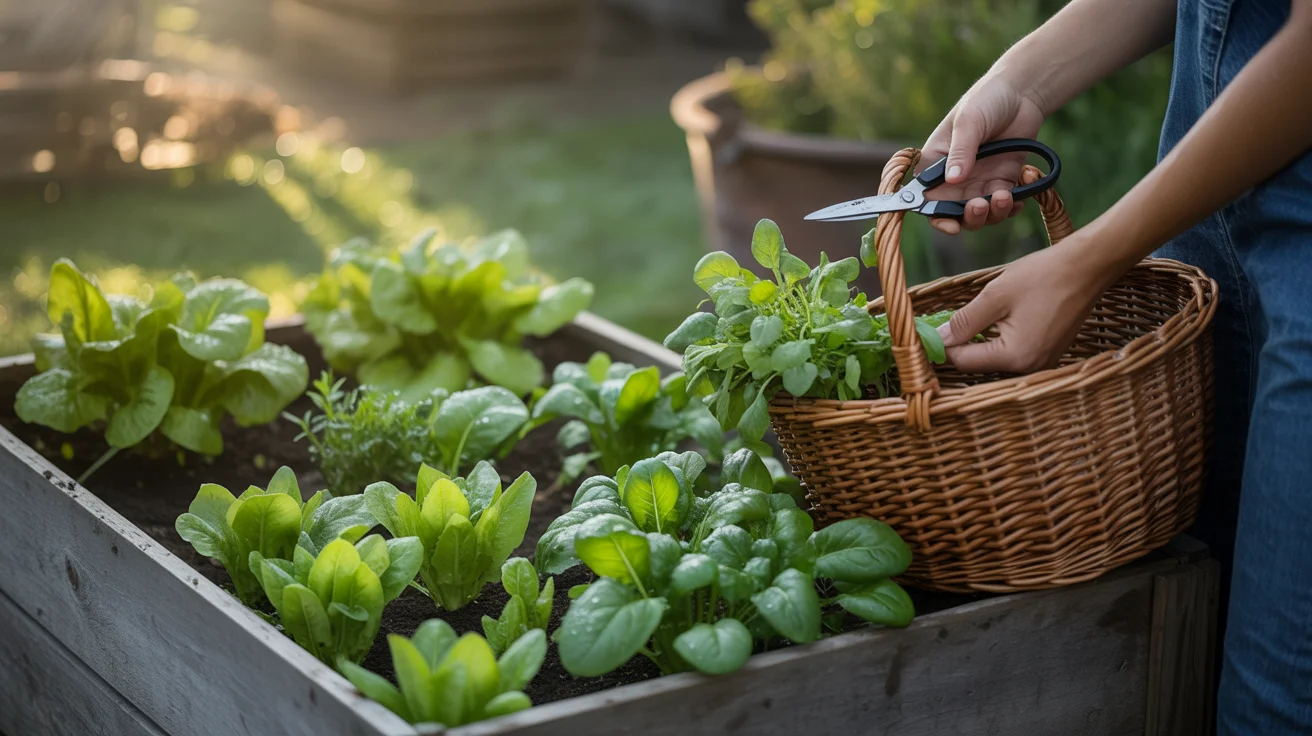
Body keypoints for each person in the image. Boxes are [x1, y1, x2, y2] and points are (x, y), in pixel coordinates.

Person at [919, 0, 1312, 732]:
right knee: (1189, 629)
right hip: (1204, 206)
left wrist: (1090, 261)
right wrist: (1022, 82)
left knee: (1274, 706)